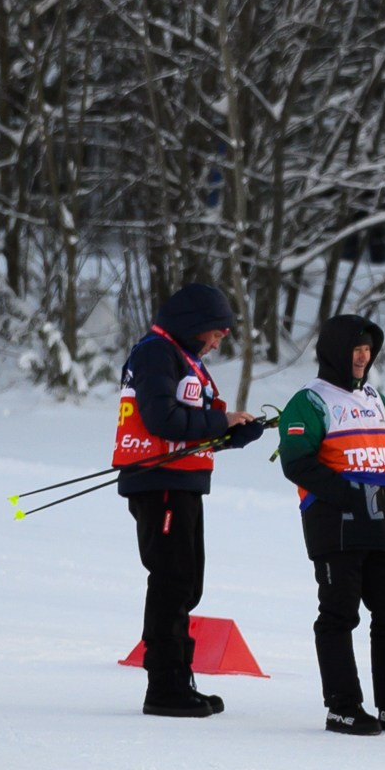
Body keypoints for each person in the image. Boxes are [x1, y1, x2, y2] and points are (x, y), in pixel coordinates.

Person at [278, 314, 385, 737]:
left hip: (380, 526)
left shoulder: (375, 398)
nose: (363, 357)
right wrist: (348, 496)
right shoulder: (310, 400)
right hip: (335, 525)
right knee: (339, 615)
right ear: (335, 351)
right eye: (356, 349)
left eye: (368, 350)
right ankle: (343, 706)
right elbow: (296, 461)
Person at [112, 279, 267, 718]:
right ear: (194, 324)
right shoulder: (156, 352)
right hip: (158, 481)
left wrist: (232, 433)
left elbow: (192, 427)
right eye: (216, 332)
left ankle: (179, 676)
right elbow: (162, 418)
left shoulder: (183, 358)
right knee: (172, 579)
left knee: (187, 581)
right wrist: (219, 423)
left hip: (181, 481)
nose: (219, 341)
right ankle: (163, 685)